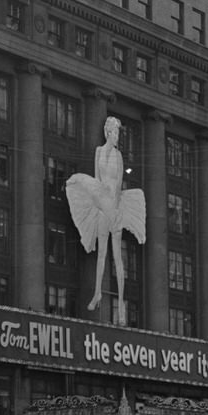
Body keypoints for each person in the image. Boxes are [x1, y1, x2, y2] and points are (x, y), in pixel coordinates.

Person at [65, 115, 147, 318]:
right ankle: (97, 294)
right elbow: (96, 180)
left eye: (119, 132)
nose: (118, 136)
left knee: (117, 256)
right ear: (108, 132)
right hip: (102, 205)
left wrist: (116, 210)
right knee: (102, 253)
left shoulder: (118, 157)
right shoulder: (99, 152)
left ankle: (120, 304)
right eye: (115, 132)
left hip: (115, 206)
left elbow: (118, 186)